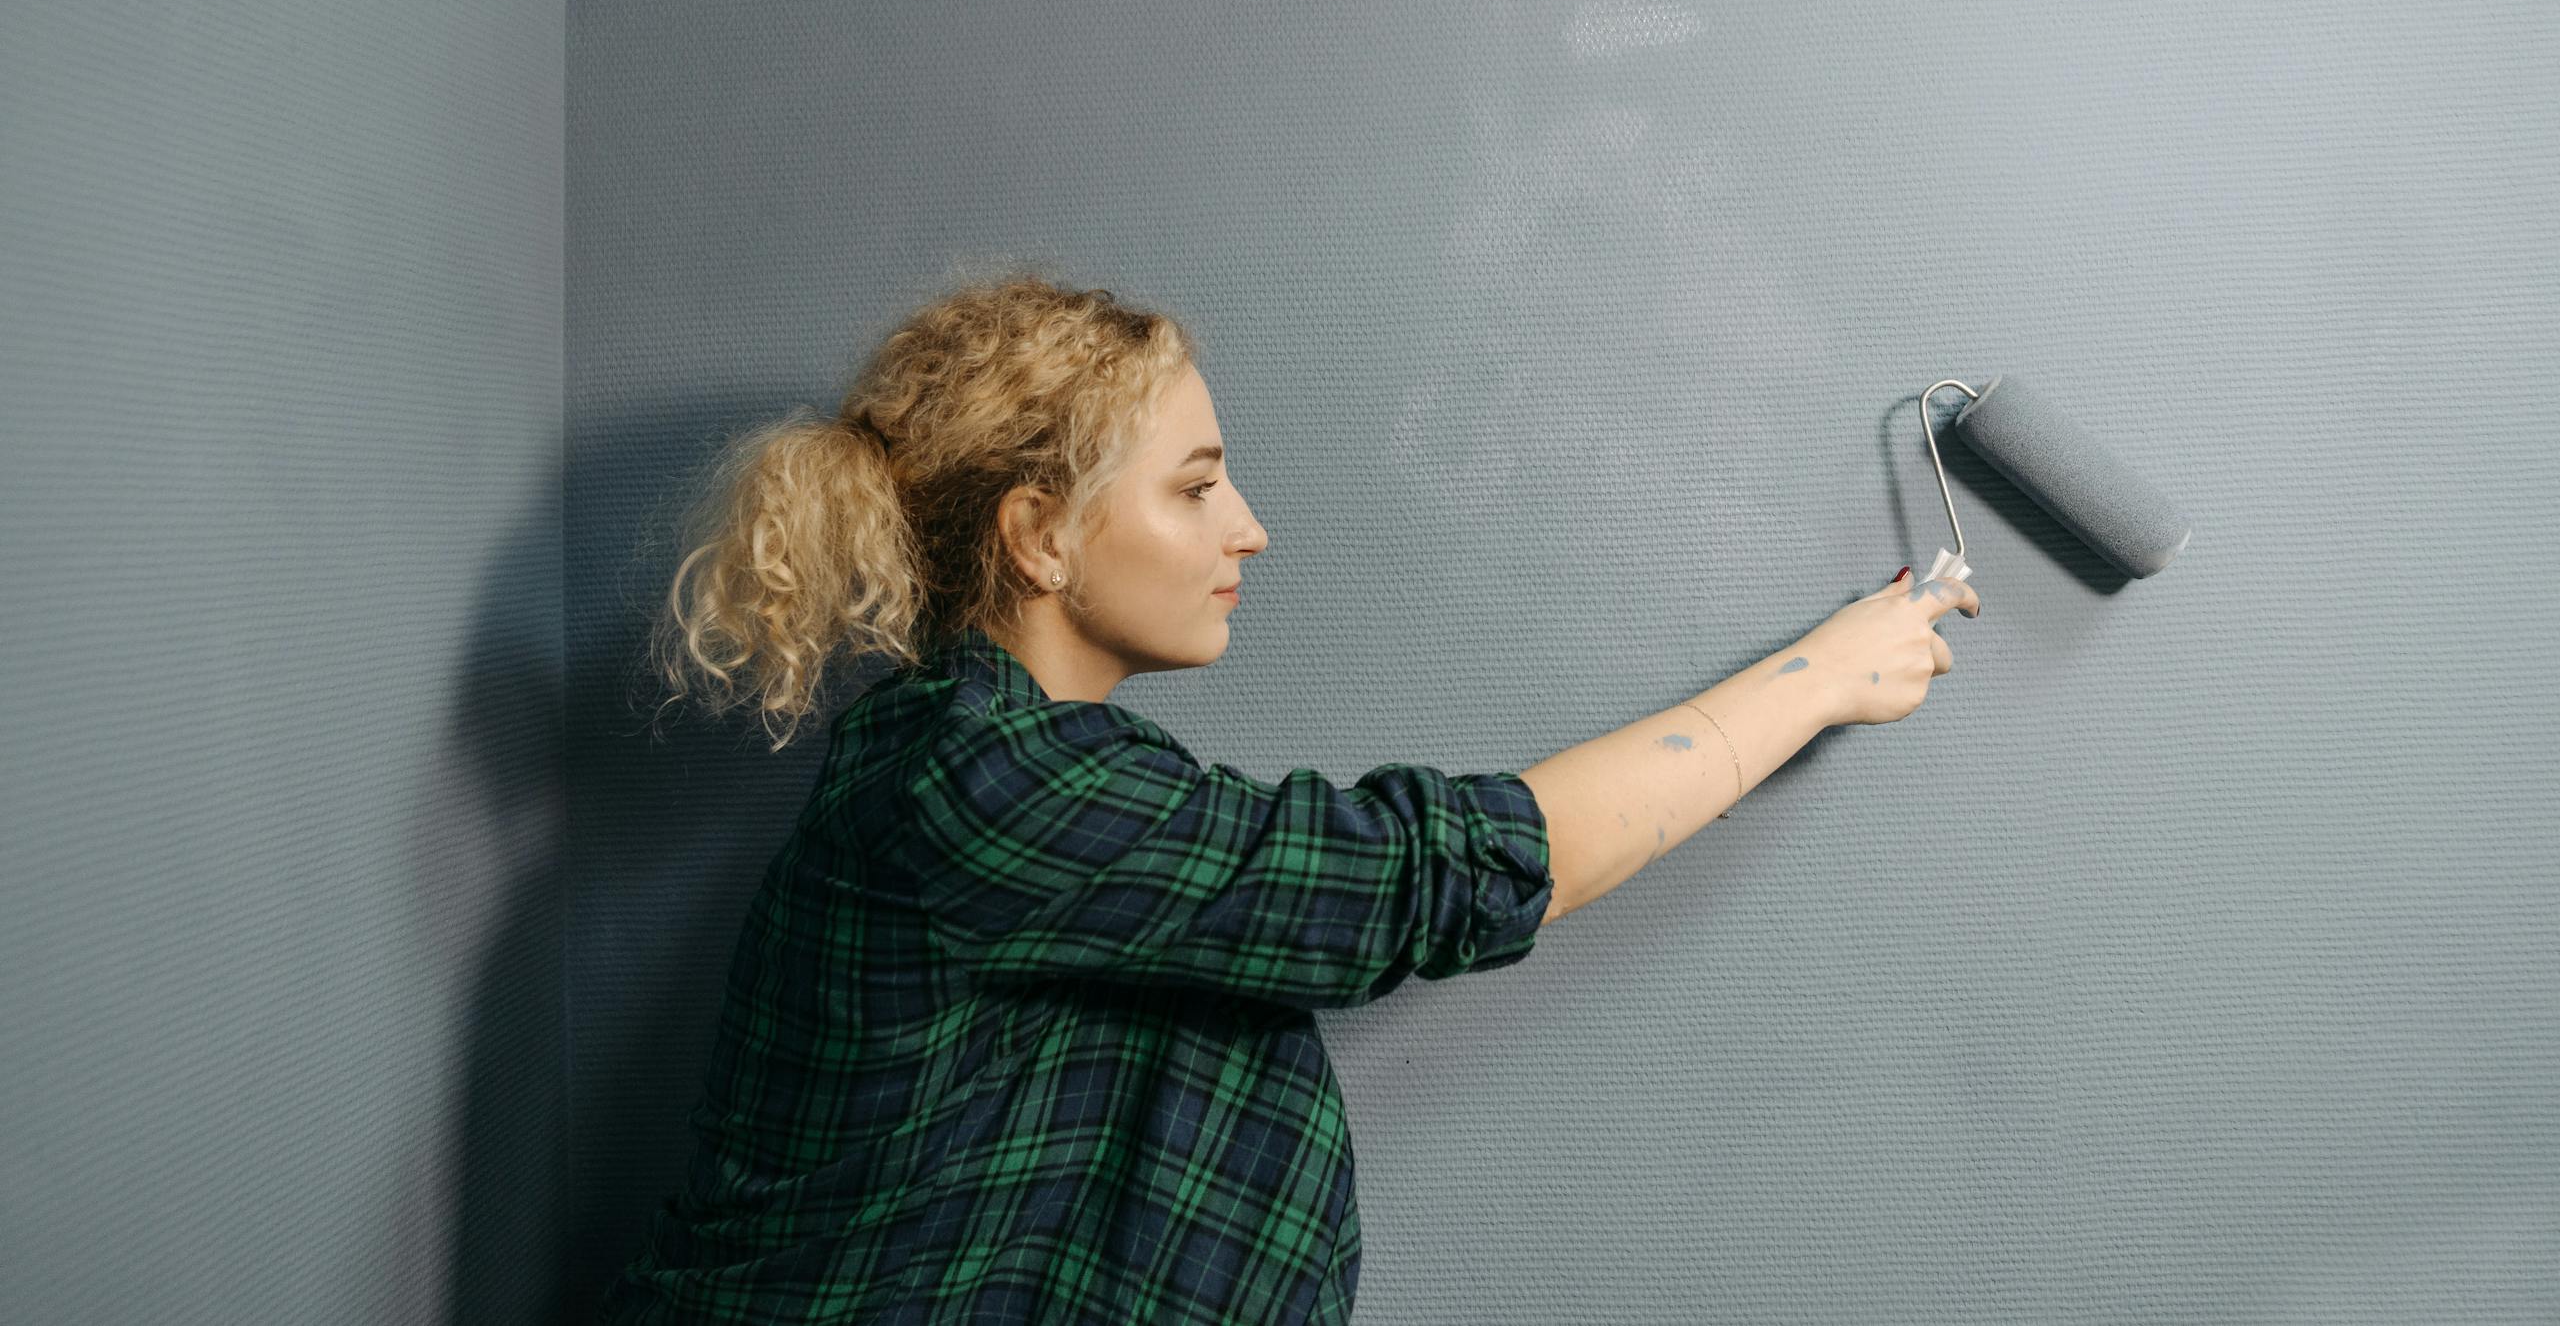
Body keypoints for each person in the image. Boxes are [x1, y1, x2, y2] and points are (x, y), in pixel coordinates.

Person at [594, 267, 1979, 1324]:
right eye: (1195, 488)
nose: (1246, 522)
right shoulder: (980, 784)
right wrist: (1818, 673)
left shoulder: (1002, 771)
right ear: (1040, 536)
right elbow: (1435, 873)